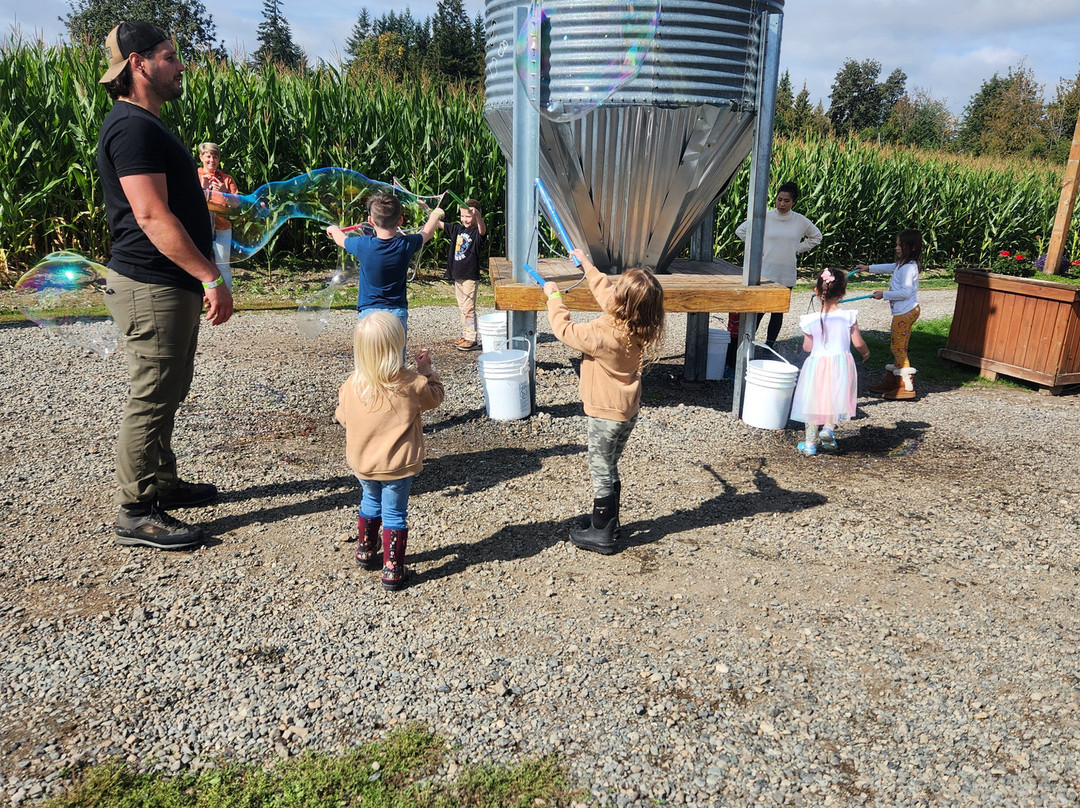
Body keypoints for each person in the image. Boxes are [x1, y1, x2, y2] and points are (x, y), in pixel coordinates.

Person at [97, 21, 234, 550]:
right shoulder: (131, 128)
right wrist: (210, 274)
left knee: (172, 387)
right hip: (150, 283)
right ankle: (135, 510)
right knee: (152, 393)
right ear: (138, 64)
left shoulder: (147, 124)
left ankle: (162, 483)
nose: (180, 66)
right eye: (169, 56)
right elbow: (152, 216)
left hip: (167, 285)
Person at [544, 248, 665, 555]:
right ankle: (609, 520)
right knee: (610, 465)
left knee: (600, 468)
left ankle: (602, 532)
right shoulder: (640, 323)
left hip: (604, 414)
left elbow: (564, 330)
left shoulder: (601, 332)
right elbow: (606, 292)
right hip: (626, 412)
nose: (612, 293)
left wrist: (555, 299)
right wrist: (586, 264)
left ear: (623, 302)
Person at [334, 312, 445, 590]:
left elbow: (343, 417)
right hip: (397, 466)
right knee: (395, 515)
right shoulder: (411, 383)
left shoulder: (352, 384)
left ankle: (365, 550)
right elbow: (436, 396)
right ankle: (393, 568)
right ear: (398, 346)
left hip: (363, 464)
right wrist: (427, 370)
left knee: (369, 502)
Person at [727, 181, 822, 364]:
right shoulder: (765, 216)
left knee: (777, 313)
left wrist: (797, 249)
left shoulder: (801, 221)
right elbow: (741, 230)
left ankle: (769, 347)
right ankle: (746, 345)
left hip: (786, 273)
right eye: (779, 199)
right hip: (764, 272)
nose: (782, 204)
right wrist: (758, 246)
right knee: (758, 311)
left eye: (786, 200)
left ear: (793, 201)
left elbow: (816, 236)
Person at [326, 192, 442, 341]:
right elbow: (427, 232)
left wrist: (334, 229)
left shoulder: (363, 244)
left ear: (370, 221)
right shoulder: (405, 244)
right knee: (396, 361)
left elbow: (340, 239)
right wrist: (435, 215)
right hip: (396, 313)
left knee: (369, 359)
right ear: (400, 220)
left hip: (369, 313)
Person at [789, 269, 870, 456]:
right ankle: (828, 430)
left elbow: (807, 348)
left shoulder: (809, 320)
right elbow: (858, 343)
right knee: (835, 398)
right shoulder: (848, 316)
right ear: (842, 294)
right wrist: (865, 353)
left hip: (816, 366)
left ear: (817, 291)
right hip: (840, 365)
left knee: (813, 401)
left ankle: (809, 444)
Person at [854, 228, 922, 400]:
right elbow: (889, 267)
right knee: (897, 345)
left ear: (912, 247)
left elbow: (905, 292)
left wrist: (883, 294)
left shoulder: (909, 268)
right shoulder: (902, 264)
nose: (897, 248)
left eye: (901, 245)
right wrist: (868, 268)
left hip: (905, 312)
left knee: (898, 347)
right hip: (904, 311)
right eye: (897, 245)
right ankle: (892, 381)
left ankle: (906, 386)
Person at [436, 198, 487, 351]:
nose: (464, 219)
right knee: (463, 308)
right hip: (458, 275)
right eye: (462, 216)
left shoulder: (477, 233)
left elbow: (482, 229)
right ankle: (466, 335)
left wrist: (477, 215)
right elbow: (437, 223)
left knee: (469, 308)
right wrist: (427, 208)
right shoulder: (458, 230)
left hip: (470, 276)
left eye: (468, 216)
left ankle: (472, 339)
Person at [196, 142, 240, 290]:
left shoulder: (226, 179)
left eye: (215, 157)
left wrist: (224, 192)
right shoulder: (194, 175)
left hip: (222, 227)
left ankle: (227, 298)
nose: (211, 160)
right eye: (208, 156)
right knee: (199, 264)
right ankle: (202, 298)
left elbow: (236, 203)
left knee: (223, 265)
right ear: (201, 157)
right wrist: (201, 188)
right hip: (200, 225)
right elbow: (185, 199)